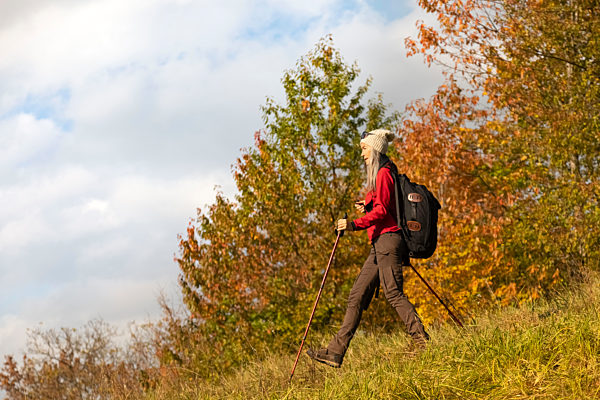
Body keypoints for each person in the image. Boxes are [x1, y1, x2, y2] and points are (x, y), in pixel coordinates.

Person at [307, 128, 429, 368]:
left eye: (364, 148)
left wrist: (353, 224)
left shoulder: (384, 174)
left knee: (393, 293)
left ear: (374, 149)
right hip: (379, 245)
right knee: (356, 296)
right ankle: (335, 352)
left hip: (388, 241)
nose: (362, 153)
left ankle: (421, 340)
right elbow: (383, 205)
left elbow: (384, 211)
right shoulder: (382, 174)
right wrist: (369, 203)